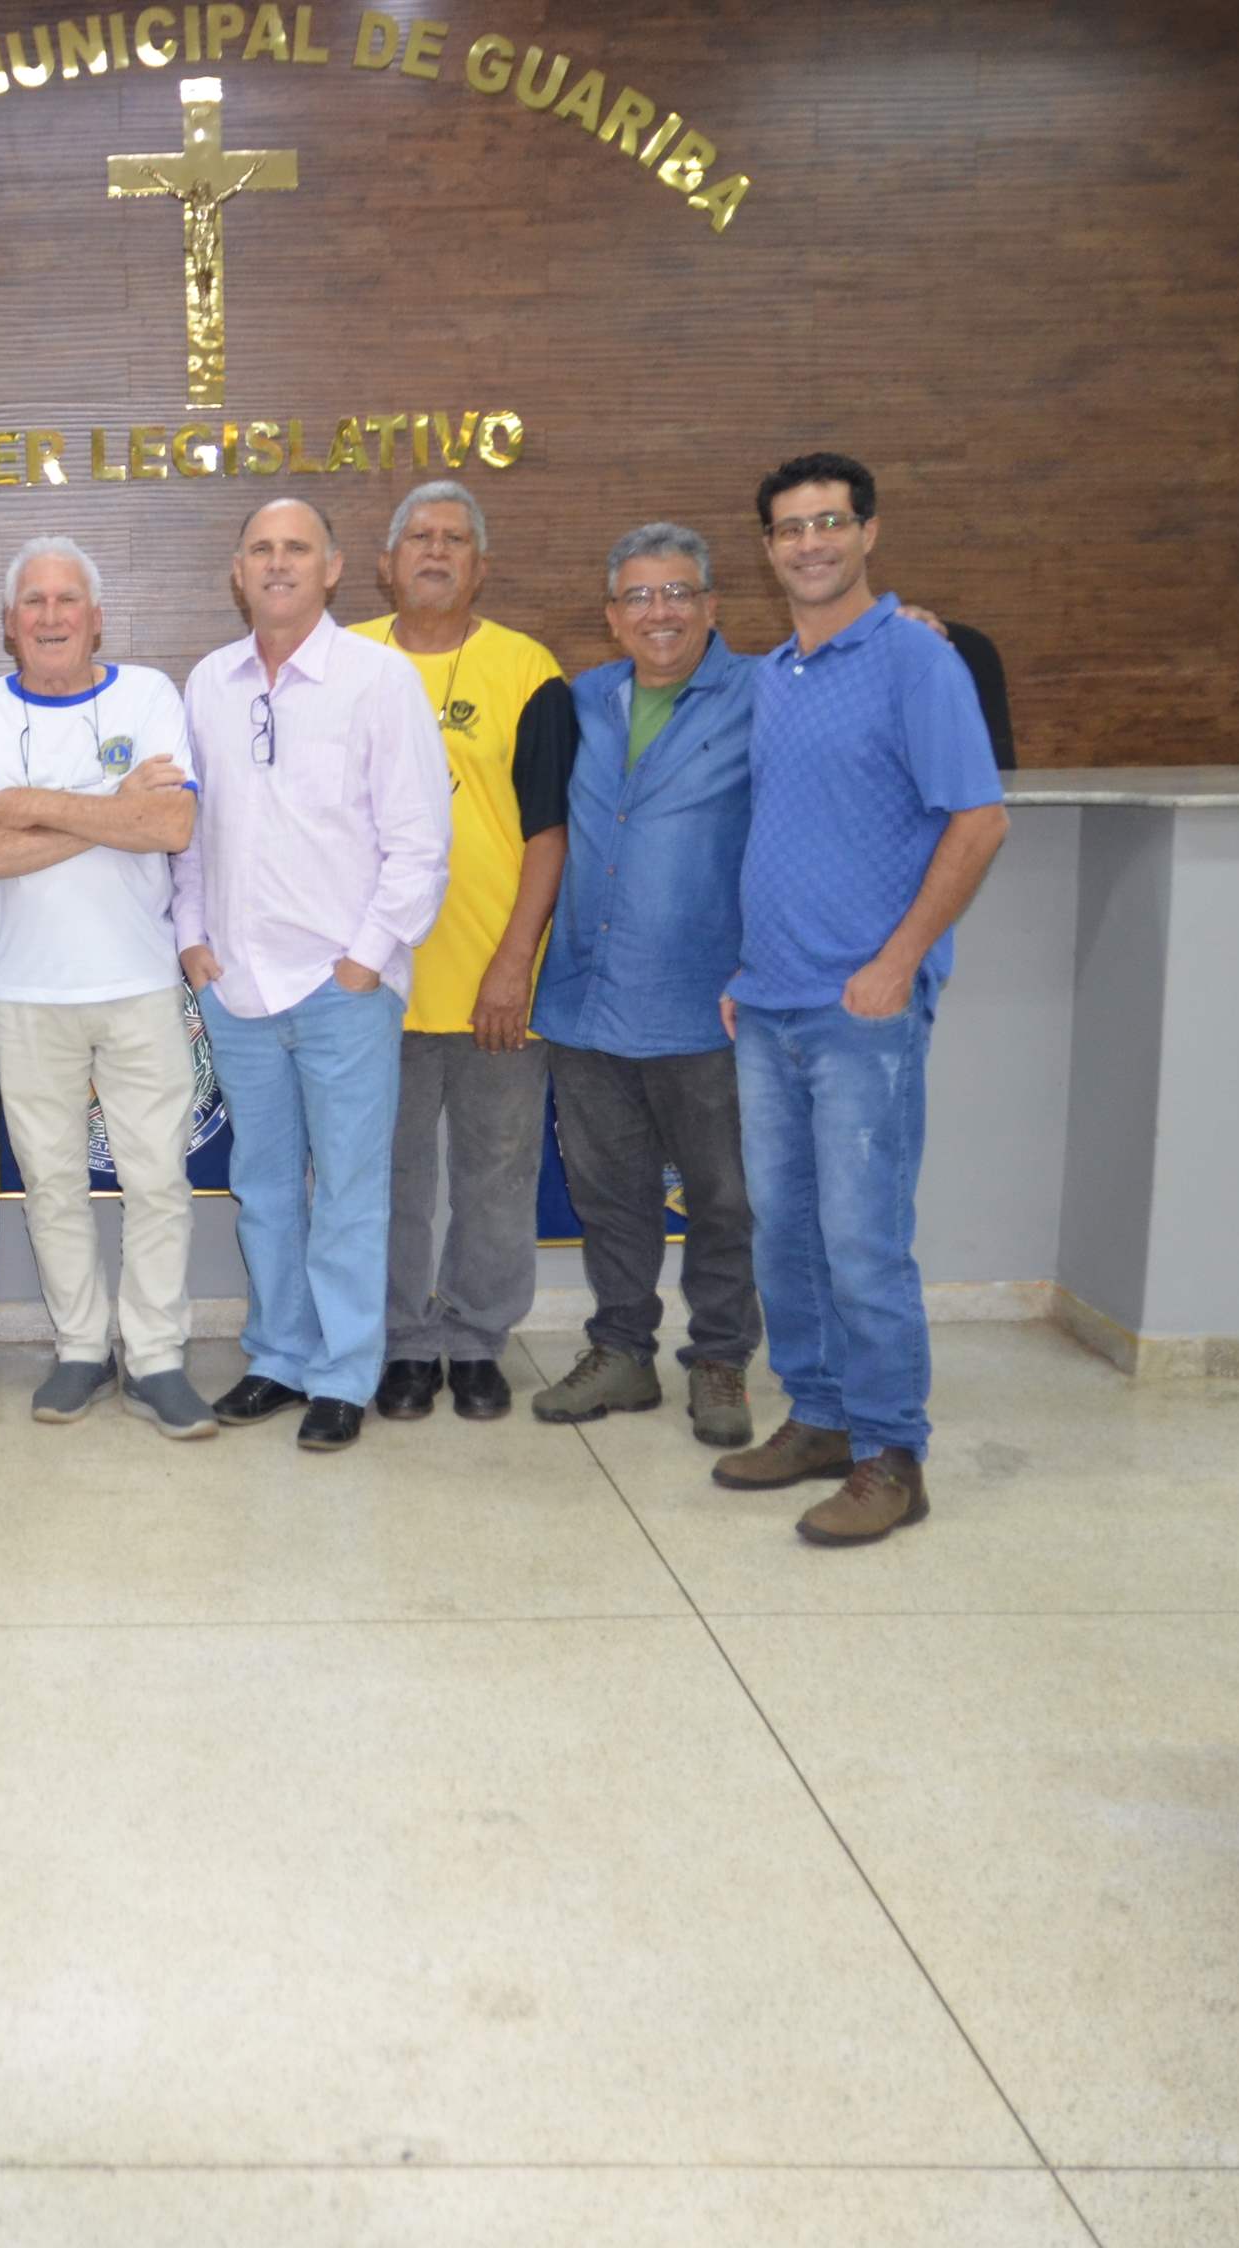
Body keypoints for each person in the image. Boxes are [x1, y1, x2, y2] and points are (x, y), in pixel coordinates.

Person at [716, 452, 1007, 1545]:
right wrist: (747, 969)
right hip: (769, 1002)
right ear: (768, 548)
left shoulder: (916, 661)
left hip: (862, 1010)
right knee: (786, 1235)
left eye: (830, 522)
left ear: (869, 532)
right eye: (790, 528)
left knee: (863, 1240)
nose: (811, 543)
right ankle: (822, 1417)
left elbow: (980, 820)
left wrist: (900, 960)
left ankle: (892, 1453)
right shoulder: (774, 675)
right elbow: (783, 829)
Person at [173, 499, 454, 1452]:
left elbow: (420, 842)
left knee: (348, 1192)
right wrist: (193, 938)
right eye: (260, 548)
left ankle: (343, 1373)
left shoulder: (379, 679)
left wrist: (366, 958)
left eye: (297, 548)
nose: (278, 563)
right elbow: (193, 832)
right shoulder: (210, 683)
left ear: (333, 568)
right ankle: (280, 1357)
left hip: (343, 990)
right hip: (239, 986)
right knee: (263, 1187)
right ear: (238, 571)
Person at [0, 538, 214, 1437]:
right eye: (34, 602)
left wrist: (31, 802)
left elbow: (172, 823)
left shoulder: (150, 694)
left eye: (67, 601)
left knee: (157, 1179)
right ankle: (81, 1349)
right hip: (22, 990)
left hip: (138, 981)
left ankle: (158, 1357)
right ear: (8, 624)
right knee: (52, 1181)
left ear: (96, 618)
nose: (51, 616)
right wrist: (112, 806)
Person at [525, 522, 761, 1452]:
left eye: (677, 593)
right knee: (610, 1194)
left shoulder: (763, 696)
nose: (658, 612)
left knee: (722, 1197)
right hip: (586, 999)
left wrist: (916, 632)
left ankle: (720, 1358)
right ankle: (622, 1349)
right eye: (638, 597)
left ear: (711, 605)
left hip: (706, 1001)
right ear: (612, 615)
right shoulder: (583, 700)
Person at [344, 480, 570, 1424]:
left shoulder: (527, 669)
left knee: (496, 1176)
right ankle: (402, 1342)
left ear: (481, 566)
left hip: (493, 984)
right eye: (419, 538)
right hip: (372, 981)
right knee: (384, 1180)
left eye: (454, 539)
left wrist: (515, 962)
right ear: (386, 563)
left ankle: (476, 1342)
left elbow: (549, 830)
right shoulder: (344, 659)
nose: (435, 552)